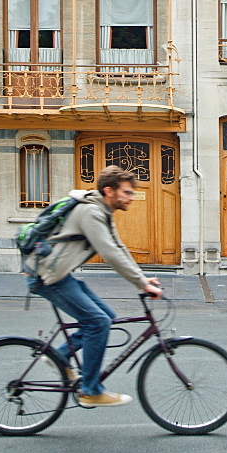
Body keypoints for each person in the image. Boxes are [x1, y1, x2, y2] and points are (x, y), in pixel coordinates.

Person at [24, 165, 162, 407]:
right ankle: (90, 390)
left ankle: (59, 356)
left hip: (57, 273)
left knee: (106, 316)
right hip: (47, 276)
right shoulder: (91, 213)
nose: (132, 198)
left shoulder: (102, 211)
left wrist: (143, 280)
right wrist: (140, 283)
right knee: (98, 322)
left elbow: (119, 248)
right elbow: (110, 254)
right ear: (109, 191)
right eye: (128, 192)